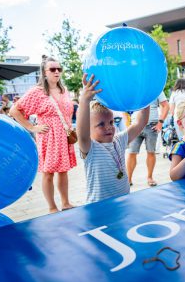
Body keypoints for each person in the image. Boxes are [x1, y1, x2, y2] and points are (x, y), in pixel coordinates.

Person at [9, 55, 76, 213]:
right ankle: (52, 207)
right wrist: (32, 127)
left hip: (64, 136)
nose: (57, 72)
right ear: (44, 72)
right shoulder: (37, 92)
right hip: (49, 136)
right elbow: (14, 110)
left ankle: (66, 203)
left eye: (59, 68)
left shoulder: (64, 90)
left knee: (63, 171)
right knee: (48, 173)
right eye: (52, 69)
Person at [76, 74, 149, 203]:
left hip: (123, 202)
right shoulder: (90, 148)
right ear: (89, 128)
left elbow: (140, 122)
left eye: (111, 122)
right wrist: (84, 101)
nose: (109, 127)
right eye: (101, 124)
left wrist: (146, 97)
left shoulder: (119, 140)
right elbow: (82, 134)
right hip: (100, 208)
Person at [126, 91, 169, 187]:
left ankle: (150, 177)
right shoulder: (135, 87)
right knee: (131, 152)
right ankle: (128, 179)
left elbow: (166, 106)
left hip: (152, 125)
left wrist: (160, 123)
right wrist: (127, 123)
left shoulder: (156, 88)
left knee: (151, 152)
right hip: (135, 125)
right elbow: (125, 107)